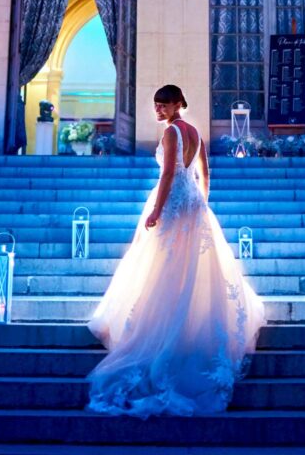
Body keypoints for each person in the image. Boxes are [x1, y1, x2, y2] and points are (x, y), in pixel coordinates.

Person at [86, 84, 266, 418]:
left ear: (176, 105)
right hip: (194, 203)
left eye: (162, 106)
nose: (157, 111)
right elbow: (205, 172)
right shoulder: (194, 131)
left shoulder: (172, 132)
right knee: (187, 268)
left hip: (173, 203)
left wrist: (157, 209)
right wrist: (202, 200)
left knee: (163, 266)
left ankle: (164, 332)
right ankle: (186, 327)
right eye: (155, 105)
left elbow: (169, 172)